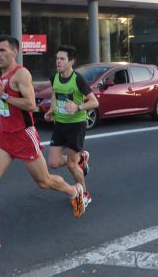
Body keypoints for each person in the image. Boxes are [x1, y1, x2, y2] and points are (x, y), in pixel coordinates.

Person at [0, 35, 86, 251]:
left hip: (24, 136)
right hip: (4, 135)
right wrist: (0, 105)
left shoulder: (21, 73)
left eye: (3, 50)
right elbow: (9, 102)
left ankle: (74, 191)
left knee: (43, 181)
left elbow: (31, 105)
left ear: (15, 52)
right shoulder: (2, 74)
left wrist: (4, 98)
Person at [45, 45, 99, 207]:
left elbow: (94, 102)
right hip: (60, 124)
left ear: (71, 62)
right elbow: (55, 93)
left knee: (71, 164)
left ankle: (85, 194)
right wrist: (51, 110)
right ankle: (82, 158)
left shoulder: (78, 79)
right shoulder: (54, 77)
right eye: (57, 58)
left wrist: (78, 107)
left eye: (62, 59)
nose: (58, 62)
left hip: (76, 125)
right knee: (53, 163)